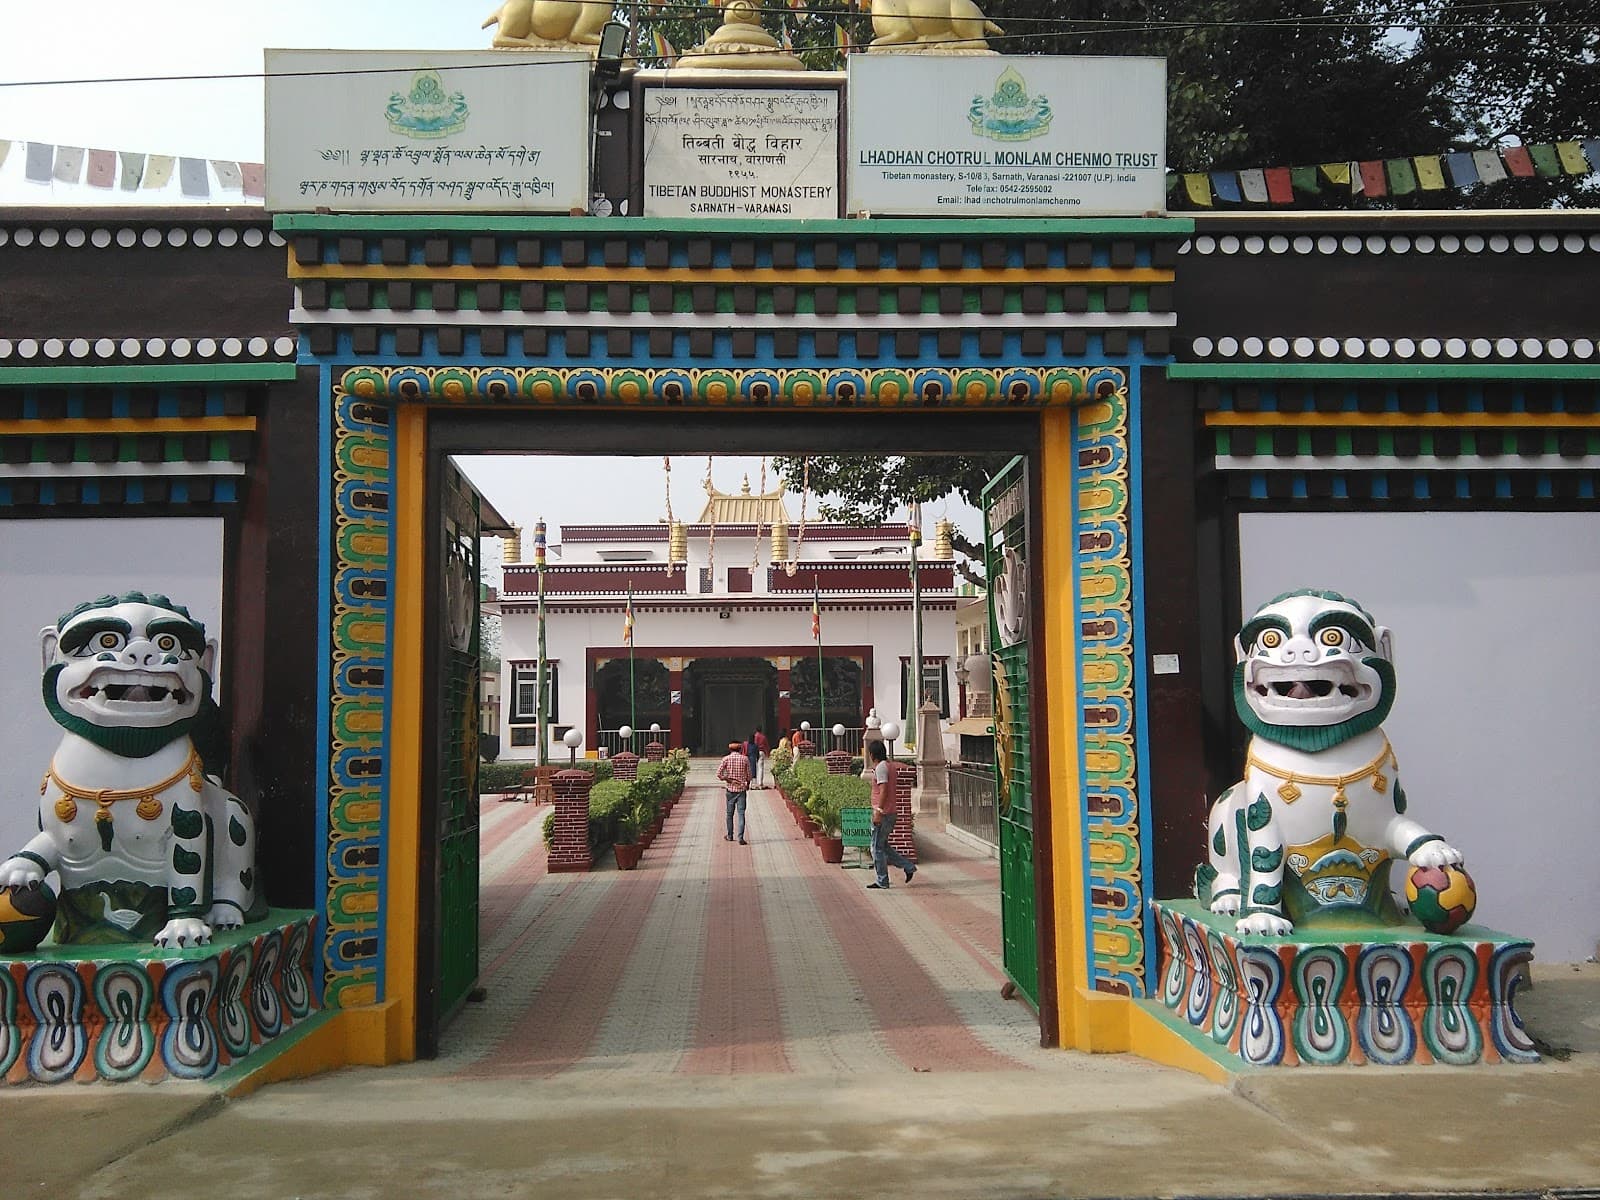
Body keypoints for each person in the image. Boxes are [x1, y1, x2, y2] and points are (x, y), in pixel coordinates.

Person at [865, 740, 915, 889]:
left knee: (876, 847)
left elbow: (884, 790)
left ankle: (882, 880)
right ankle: (908, 866)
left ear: (872, 754)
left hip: (884, 813)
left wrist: (879, 811)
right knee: (883, 845)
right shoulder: (890, 766)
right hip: (890, 812)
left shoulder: (881, 768)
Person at [716, 740, 751, 845]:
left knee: (729, 814)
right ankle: (740, 837)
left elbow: (718, 774)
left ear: (730, 749)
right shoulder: (745, 759)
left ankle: (730, 835)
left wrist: (728, 779)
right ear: (740, 749)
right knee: (741, 814)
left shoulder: (726, 759)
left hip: (730, 790)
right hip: (741, 790)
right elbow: (749, 775)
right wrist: (747, 784)